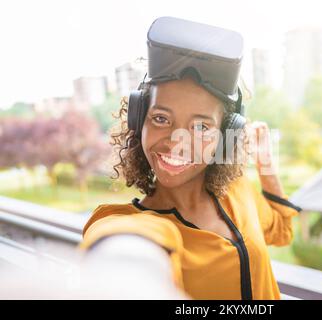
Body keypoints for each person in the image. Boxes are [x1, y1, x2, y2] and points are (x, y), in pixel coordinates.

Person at [79, 17, 301, 300]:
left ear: (224, 133)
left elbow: (282, 230)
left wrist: (265, 162)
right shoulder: (125, 223)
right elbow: (121, 246)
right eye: (161, 118)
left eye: (200, 127)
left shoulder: (238, 191)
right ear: (139, 122)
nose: (176, 141)